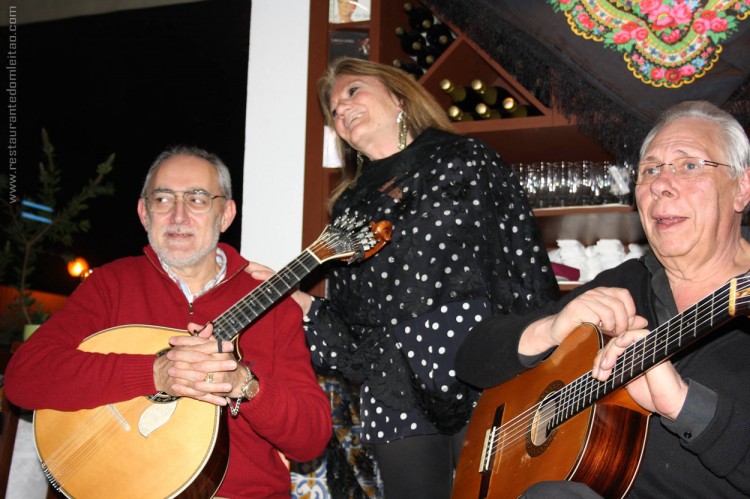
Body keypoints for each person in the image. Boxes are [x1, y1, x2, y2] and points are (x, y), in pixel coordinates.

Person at [248, 57, 559, 498]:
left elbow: (521, 253)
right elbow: (351, 328)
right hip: (392, 382)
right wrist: (299, 304)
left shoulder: (464, 159)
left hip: (479, 358)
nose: (341, 109)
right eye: (333, 109)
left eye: (352, 91)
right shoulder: (349, 210)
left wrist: (547, 347)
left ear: (398, 95)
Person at [455, 100, 750, 497]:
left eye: (689, 165)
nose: (661, 184)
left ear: (742, 189)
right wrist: (552, 328)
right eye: (649, 170)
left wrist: (684, 404)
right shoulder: (626, 282)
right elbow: (471, 359)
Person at [4, 146, 332, 498]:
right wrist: (154, 373)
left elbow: (311, 439)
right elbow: (24, 378)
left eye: (197, 199)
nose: (178, 215)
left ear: (225, 214)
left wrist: (244, 384)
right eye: (162, 199)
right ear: (144, 213)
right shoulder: (110, 284)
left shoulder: (272, 305)